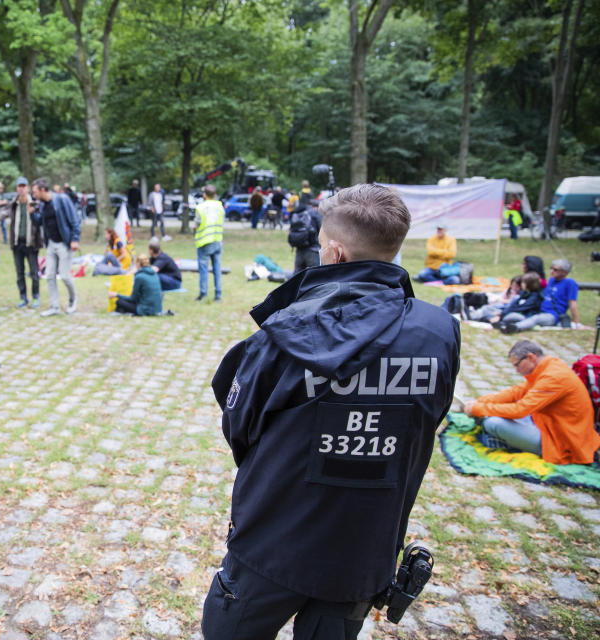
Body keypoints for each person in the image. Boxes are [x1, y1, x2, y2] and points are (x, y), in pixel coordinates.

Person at [201, 183, 460, 640]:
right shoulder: (439, 332)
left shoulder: (281, 334)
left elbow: (239, 426)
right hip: (365, 544)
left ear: (336, 254)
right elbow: (428, 419)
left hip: (274, 537)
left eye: (321, 246)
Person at [465, 340, 599, 464]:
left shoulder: (553, 377)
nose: (516, 370)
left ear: (531, 357)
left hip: (562, 442)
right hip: (546, 424)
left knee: (493, 423)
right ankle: (502, 438)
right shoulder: (548, 366)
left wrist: (478, 409)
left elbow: (520, 410)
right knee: (493, 413)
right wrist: (480, 402)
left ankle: (502, 440)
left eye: (517, 365)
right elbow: (516, 392)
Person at [0, 176, 43, 308]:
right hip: (17, 243)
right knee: (19, 273)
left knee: (34, 273)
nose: (22, 189)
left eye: (24, 186)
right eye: (19, 186)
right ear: (17, 189)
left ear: (28, 188)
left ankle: (36, 297)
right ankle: (23, 297)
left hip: (31, 243)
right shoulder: (13, 205)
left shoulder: (35, 204)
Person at [33, 177, 82, 316]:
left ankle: (73, 300)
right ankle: (54, 307)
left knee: (65, 276)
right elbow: (39, 222)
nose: (34, 194)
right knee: (49, 276)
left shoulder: (61, 200)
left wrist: (74, 239)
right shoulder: (42, 205)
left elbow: (75, 220)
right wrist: (32, 214)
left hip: (64, 244)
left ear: (43, 190)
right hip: (51, 244)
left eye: (35, 192)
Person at [500, 258, 581, 333]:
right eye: (551, 268)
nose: (552, 271)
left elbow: (572, 303)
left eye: (555, 270)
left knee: (536, 319)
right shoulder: (551, 280)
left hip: (552, 315)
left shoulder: (570, 283)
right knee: (514, 316)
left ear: (565, 272)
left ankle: (515, 328)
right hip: (538, 311)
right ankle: (502, 323)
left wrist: (576, 322)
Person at [194, 184, 224, 302]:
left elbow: (197, 224)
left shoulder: (201, 207)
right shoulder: (220, 206)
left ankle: (203, 293)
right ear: (215, 194)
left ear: (204, 194)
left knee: (203, 269)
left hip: (205, 242)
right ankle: (218, 294)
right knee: (217, 268)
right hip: (217, 240)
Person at [288, 198, 322, 273]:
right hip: (313, 250)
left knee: (297, 276)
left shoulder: (298, 212)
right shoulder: (315, 213)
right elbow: (321, 229)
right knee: (315, 276)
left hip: (299, 248)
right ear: (315, 206)